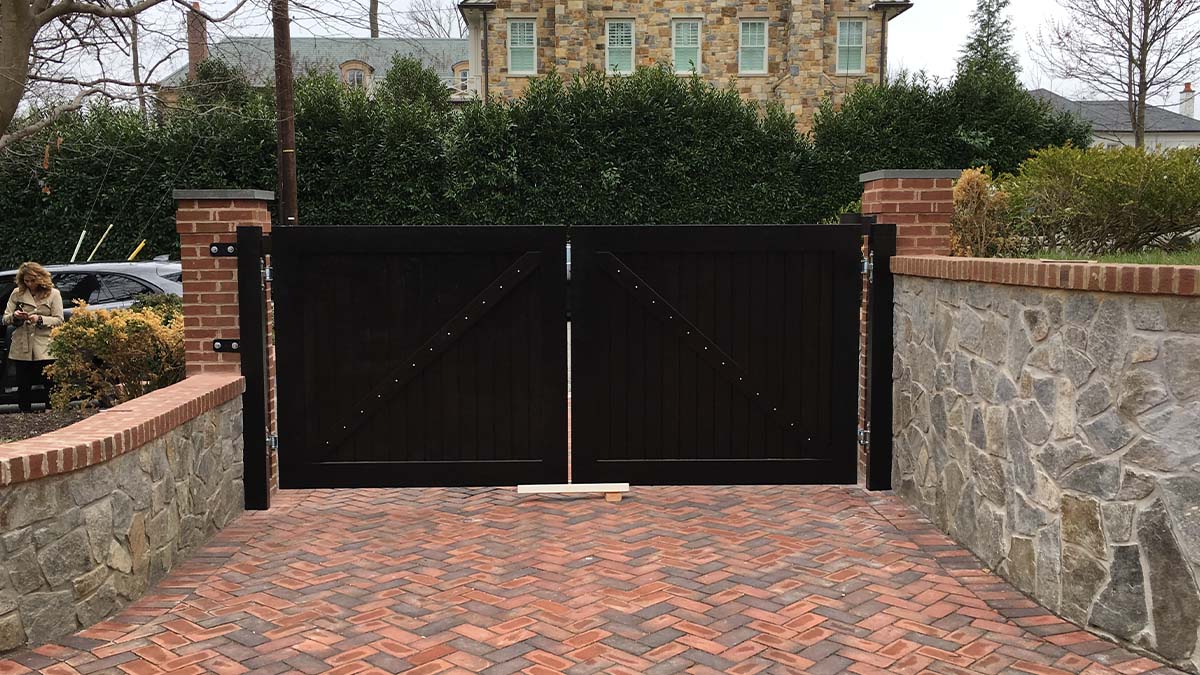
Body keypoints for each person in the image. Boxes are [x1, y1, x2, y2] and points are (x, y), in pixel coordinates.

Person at [3, 263, 64, 412]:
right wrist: (15, 316)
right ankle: (25, 412)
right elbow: (5, 318)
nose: (29, 284)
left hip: (45, 344)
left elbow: (59, 319)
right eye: (26, 281)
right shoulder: (17, 293)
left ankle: (52, 411)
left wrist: (40, 319)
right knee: (23, 383)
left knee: (49, 381)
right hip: (22, 343)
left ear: (40, 279)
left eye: (32, 280)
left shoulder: (53, 294)